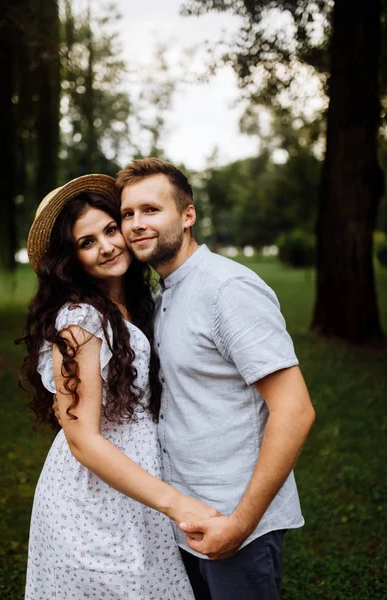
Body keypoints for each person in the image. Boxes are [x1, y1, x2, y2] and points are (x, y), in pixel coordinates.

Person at [116, 158, 316, 600]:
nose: (135, 224)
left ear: (187, 216)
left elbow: (295, 409)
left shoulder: (228, 290)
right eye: (127, 214)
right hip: (182, 516)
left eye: (151, 209)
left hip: (235, 522)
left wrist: (240, 525)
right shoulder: (162, 295)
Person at [19, 174, 218, 599]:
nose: (107, 246)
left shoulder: (135, 303)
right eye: (87, 242)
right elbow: (83, 441)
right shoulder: (79, 321)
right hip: (92, 498)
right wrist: (176, 503)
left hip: (138, 486)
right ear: (70, 259)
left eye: (110, 230)